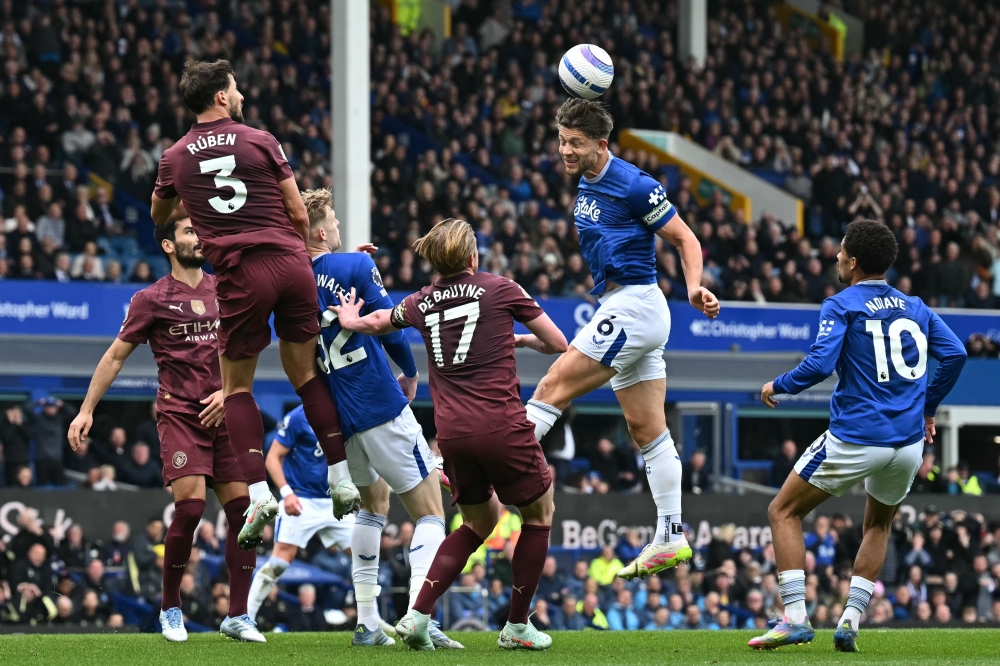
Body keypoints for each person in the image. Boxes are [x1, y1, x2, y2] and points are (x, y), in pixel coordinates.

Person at [149, 59, 359, 544]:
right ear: (221, 95)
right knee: (306, 375)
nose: (241, 93)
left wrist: (193, 199)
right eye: (236, 86)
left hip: (242, 274)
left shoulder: (175, 156)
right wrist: (301, 261)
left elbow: (159, 211)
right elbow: (294, 209)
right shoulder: (261, 139)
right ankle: (341, 478)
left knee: (236, 387)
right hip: (289, 261)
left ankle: (261, 492)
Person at [332, 218, 567, 651]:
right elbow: (558, 343)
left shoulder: (424, 300)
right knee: (539, 514)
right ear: (473, 257)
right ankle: (517, 627)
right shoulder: (501, 287)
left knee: (479, 522)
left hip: (453, 435)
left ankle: (417, 616)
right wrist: (526, 342)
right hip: (501, 424)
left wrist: (352, 318)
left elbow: (384, 320)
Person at [518, 99, 720, 580]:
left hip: (636, 305)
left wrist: (693, 287)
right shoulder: (586, 183)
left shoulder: (633, 184)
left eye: (576, 143)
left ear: (601, 145)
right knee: (648, 432)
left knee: (551, 388)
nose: (565, 150)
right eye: (562, 140)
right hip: (626, 307)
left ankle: (490, 469)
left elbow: (686, 239)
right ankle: (671, 535)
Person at [254, 188, 459, 648]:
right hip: (378, 403)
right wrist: (408, 372)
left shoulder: (288, 287)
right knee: (430, 512)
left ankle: (368, 622)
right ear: (323, 231)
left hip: (338, 422)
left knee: (373, 509)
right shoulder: (355, 266)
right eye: (338, 227)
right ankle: (418, 619)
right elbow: (388, 325)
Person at [751, 220, 967, 652]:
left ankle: (795, 619)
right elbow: (956, 353)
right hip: (907, 446)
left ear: (852, 260)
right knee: (879, 523)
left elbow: (818, 365)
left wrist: (778, 385)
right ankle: (849, 621)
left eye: (840, 250)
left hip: (855, 437)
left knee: (783, 511)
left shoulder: (841, 304)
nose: (835, 256)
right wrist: (927, 408)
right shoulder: (916, 306)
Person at [67, 210, 263, 643]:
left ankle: (238, 615)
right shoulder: (151, 299)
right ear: (169, 245)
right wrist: (86, 410)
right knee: (191, 509)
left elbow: (246, 347)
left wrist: (229, 391)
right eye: (190, 231)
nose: (200, 237)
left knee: (244, 516)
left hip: (226, 411)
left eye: (201, 231)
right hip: (180, 415)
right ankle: (170, 608)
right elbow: (115, 356)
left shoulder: (226, 289)